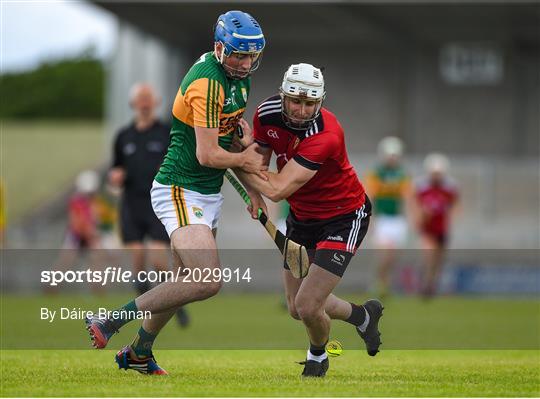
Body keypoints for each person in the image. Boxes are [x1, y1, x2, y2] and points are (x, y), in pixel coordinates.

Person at [85, 10, 266, 375]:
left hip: (207, 194)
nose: (246, 63)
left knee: (182, 284)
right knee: (207, 280)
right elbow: (208, 153)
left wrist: (252, 190)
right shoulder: (207, 83)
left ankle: (138, 353)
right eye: (238, 54)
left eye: (251, 56)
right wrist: (248, 160)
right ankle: (110, 320)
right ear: (219, 48)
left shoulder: (239, 80)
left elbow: (228, 141)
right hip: (179, 189)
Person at [233, 63, 383, 377]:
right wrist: (248, 164)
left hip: (343, 217)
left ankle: (317, 358)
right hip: (302, 219)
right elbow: (260, 159)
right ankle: (363, 316)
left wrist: (229, 158)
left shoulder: (326, 134)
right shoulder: (265, 114)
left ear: (321, 101)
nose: (302, 110)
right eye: (296, 101)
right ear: (283, 96)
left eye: (311, 103)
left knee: (308, 305)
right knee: (295, 306)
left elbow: (278, 188)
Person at [110, 83, 190, 327]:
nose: (144, 103)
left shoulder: (166, 132)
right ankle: (146, 305)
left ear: (155, 102)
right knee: (137, 258)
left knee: (157, 259)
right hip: (132, 203)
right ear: (133, 104)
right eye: (140, 99)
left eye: (148, 98)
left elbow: (178, 162)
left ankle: (174, 302)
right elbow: (116, 168)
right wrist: (116, 177)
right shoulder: (123, 136)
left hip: (158, 203)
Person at [365, 136, 411, 297]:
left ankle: (385, 284)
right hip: (382, 220)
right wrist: (370, 218)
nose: (392, 158)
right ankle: (379, 283)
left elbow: (407, 198)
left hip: (397, 220)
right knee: (384, 255)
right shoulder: (376, 173)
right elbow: (370, 197)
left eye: (395, 155)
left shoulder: (401, 174)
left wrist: (410, 219)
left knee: (392, 257)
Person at [412, 153, 459, 298]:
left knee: (439, 259)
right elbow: (415, 205)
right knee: (429, 254)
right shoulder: (422, 187)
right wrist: (420, 217)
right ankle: (424, 283)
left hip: (441, 229)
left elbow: (455, 205)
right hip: (427, 229)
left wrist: (451, 218)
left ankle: (431, 284)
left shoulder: (449, 188)